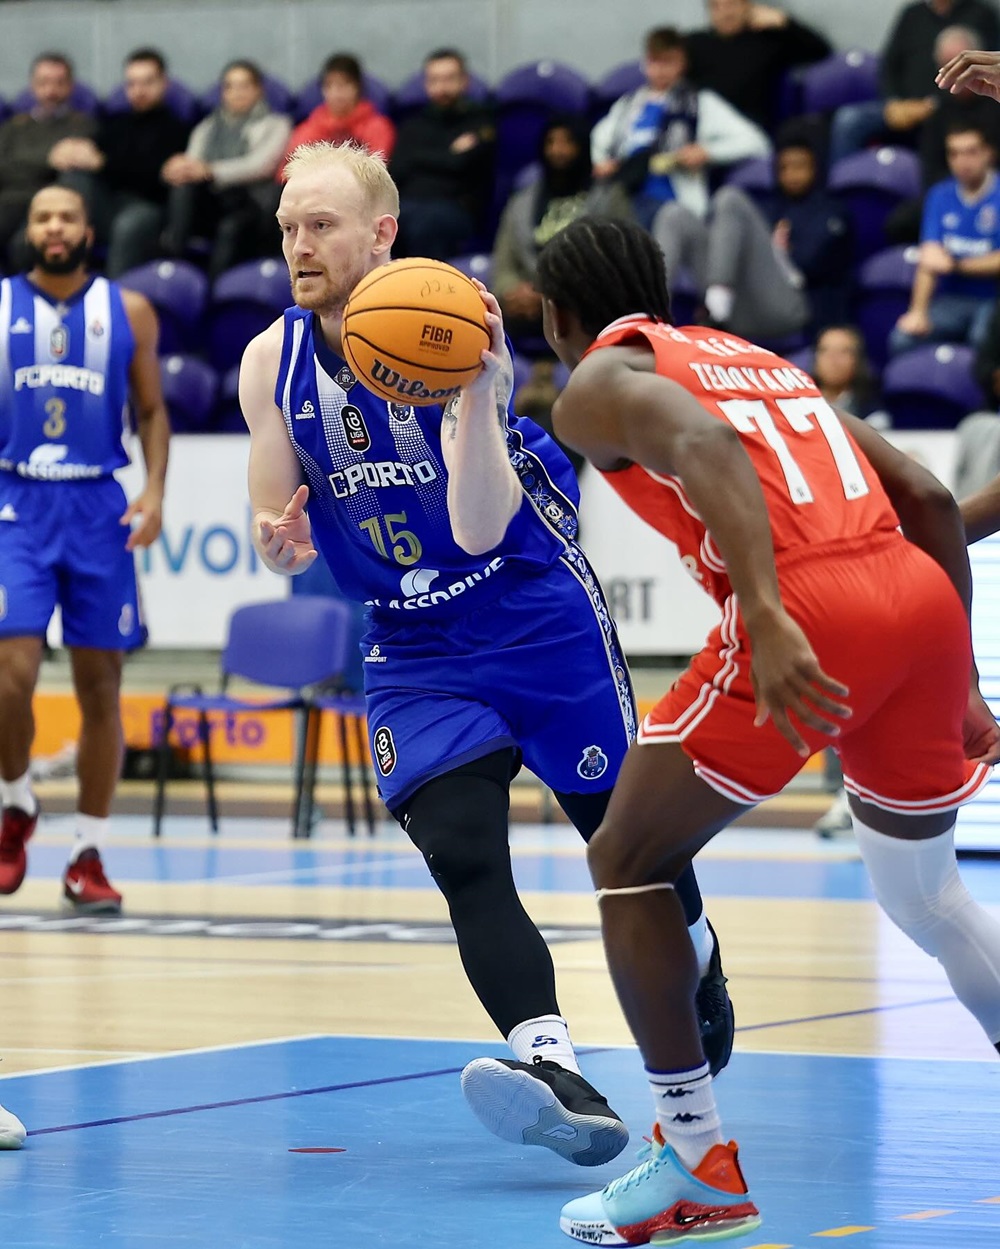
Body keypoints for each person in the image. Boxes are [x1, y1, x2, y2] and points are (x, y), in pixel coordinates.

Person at [239, 141, 734, 1167]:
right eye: (287, 228)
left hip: (528, 606)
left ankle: (698, 949)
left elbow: (475, 525)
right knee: (461, 851)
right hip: (412, 637)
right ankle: (553, 1066)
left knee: (625, 843)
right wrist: (278, 540)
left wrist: (484, 389)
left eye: (320, 225)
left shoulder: (450, 326)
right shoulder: (267, 362)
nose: (298, 245)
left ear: (382, 232)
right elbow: (273, 511)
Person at [534, 215, 1000, 1243]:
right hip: (917, 597)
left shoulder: (597, 380)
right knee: (929, 896)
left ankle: (695, 1160)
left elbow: (700, 446)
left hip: (808, 606)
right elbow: (925, 497)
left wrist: (771, 611)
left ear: (559, 318)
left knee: (626, 857)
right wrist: (961, 673)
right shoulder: (756, 359)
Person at [0, 185, 170, 914]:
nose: (54, 226)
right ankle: (16, 800)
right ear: (29, 230)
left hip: (99, 506)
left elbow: (153, 410)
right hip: (16, 503)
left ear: (87, 231)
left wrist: (154, 490)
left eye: (66, 216)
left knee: (101, 688)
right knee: (10, 674)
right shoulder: (1, 305)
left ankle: (87, 853)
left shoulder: (129, 310)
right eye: (43, 216)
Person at [591, 27, 770, 232]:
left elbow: (756, 141)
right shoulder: (627, 105)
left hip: (672, 203)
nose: (661, 70)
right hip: (625, 193)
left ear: (683, 63)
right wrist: (602, 162)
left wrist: (707, 152)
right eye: (655, 61)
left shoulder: (700, 103)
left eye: (668, 62)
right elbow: (599, 137)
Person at [493, 115, 632, 346]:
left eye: (567, 142)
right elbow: (504, 260)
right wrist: (513, 290)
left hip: (585, 308)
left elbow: (617, 263)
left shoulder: (609, 198)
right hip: (527, 304)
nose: (558, 150)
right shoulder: (522, 201)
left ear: (582, 147)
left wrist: (551, 297)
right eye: (551, 142)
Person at [55, 48, 190, 277]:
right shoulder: (115, 123)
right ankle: (61, 280)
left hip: (148, 208)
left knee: (128, 224)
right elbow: (93, 155)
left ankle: (113, 293)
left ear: (164, 84)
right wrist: (69, 152)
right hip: (109, 203)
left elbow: (156, 176)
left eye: (148, 82)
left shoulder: (177, 128)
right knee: (73, 179)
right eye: (132, 83)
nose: (139, 90)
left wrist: (104, 164)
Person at [829, 0, 1000, 168]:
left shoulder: (981, 14)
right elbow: (889, 65)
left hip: (948, 102)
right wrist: (893, 101)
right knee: (849, 119)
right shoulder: (912, 14)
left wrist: (931, 103)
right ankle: (842, 181)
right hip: (905, 104)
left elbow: (990, 71)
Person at [161, 59, 291, 279]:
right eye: (230, 86)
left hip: (251, 204)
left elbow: (260, 166)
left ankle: (215, 290)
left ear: (258, 90)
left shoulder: (277, 124)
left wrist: (210, 170)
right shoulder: (206, 127)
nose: (236, 93)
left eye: (244, 86)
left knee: (230, 227)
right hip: (212, 201)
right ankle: (172, 268)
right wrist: (176, 169)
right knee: (182, 189)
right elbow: (192, 164)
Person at [891, 123, 1000, 356]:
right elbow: (929, 260)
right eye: (954, 153)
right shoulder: (940, 195)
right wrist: (918, 311)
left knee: (983, 343)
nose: (962, 161)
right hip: (952, 298)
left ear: (988, 153)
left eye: (971, 152)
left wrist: (956, 265)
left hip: (993, 299)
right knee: (902, 339)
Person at [390, 48, 495, 259]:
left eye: (449, 79)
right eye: (435, 80)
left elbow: (462, 165)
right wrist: (448, 154)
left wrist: (418, 158)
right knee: (380, 225)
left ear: (464, 81)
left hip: (454, 208)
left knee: (426, 226)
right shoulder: (413, 125)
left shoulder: (480, 121)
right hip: (409, 205)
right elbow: (396, 171)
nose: (442, 87)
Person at [0, 52, 96, 265]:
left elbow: (70, 169)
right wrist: (48, 159)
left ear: (70, 86)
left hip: (48, 206)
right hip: (7, 201)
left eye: (59, 83)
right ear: (33, 85)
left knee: (23, 244)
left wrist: (23, 164)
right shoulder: (13, 127)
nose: (51, 91)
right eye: (44, 82)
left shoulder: (82, 125)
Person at [685, 0, 830, 132]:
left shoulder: (766, 40)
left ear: (747, 6)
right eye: (715, 6)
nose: (724, 13)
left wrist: (784, 22)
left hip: (749, 130)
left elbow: (820, 50)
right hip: (702, 129)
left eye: (731, 5)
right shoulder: (694, 44)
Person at [282, 54, 394, 165]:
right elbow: (288, 170)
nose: (336, 93)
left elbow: (379, 169)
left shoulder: (378, 128)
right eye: (329, 85)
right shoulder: (306, 131)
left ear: (358, 88)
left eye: (343, 85)